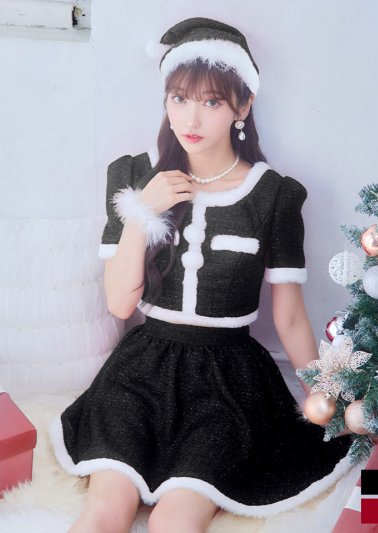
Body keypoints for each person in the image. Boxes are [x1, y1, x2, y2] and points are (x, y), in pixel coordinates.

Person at [49, 17, 353, 533]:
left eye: (211, 102)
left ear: (243, 106)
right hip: (139, 373)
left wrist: (324, 397)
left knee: (174, 520)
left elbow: (290, 318)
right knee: (106, 511)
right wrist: (143, 212)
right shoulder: (134, 175)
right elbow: (120, 304)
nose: (190, 118)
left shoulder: (274, 196)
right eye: (178, 98)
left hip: (228, 381)